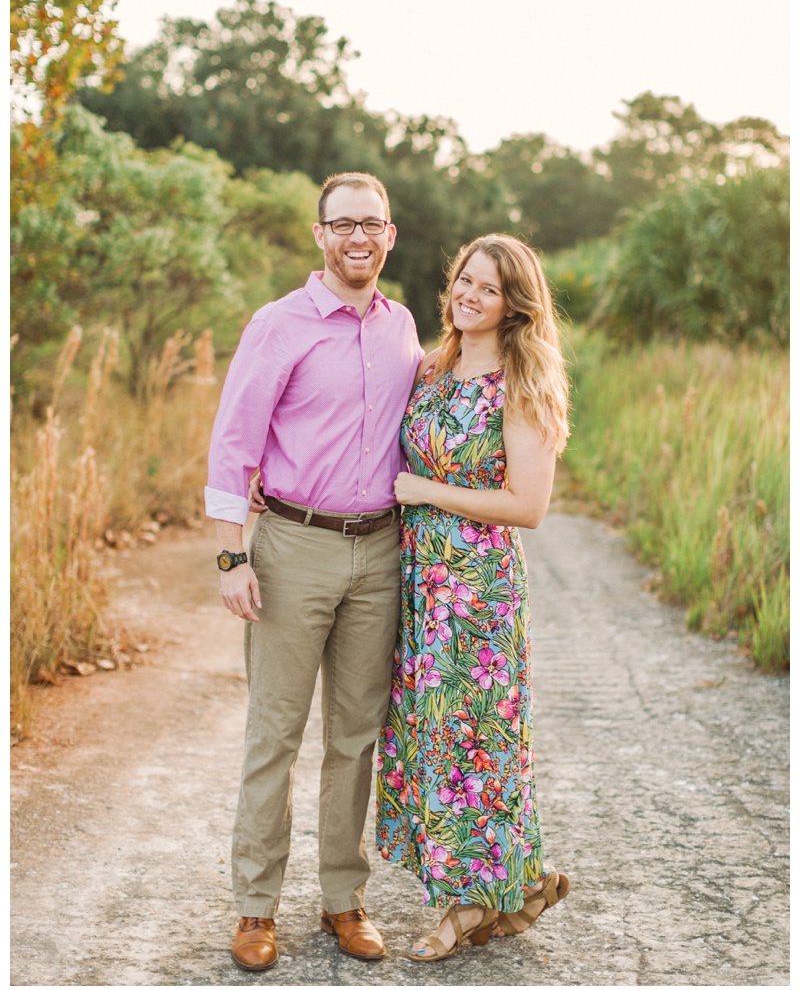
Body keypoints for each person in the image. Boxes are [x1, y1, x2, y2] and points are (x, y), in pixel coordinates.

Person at [205, 171, 423, 972]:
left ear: (390, 234)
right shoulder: (278, 324)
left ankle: (343, 898)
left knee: (356, 737)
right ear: (319, 234)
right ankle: (256, 908)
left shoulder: (403, 329)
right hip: (293, 547)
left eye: (372, 223)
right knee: (275, 733)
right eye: (343, 224)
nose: (358, 237)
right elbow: (234, 443)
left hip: (382, 552)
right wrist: (233, 554)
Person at [375, 233, 571, 961]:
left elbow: (528, 504)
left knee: (474, 741)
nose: (469, 295)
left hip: (477, 593)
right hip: (420, 584)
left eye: (488, 288)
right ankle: (513, 883)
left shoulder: (524, 378)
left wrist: (425, 491)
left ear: (514, 303)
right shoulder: (435, 366)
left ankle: (463, 909)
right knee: (431, 737)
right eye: (464, 279)